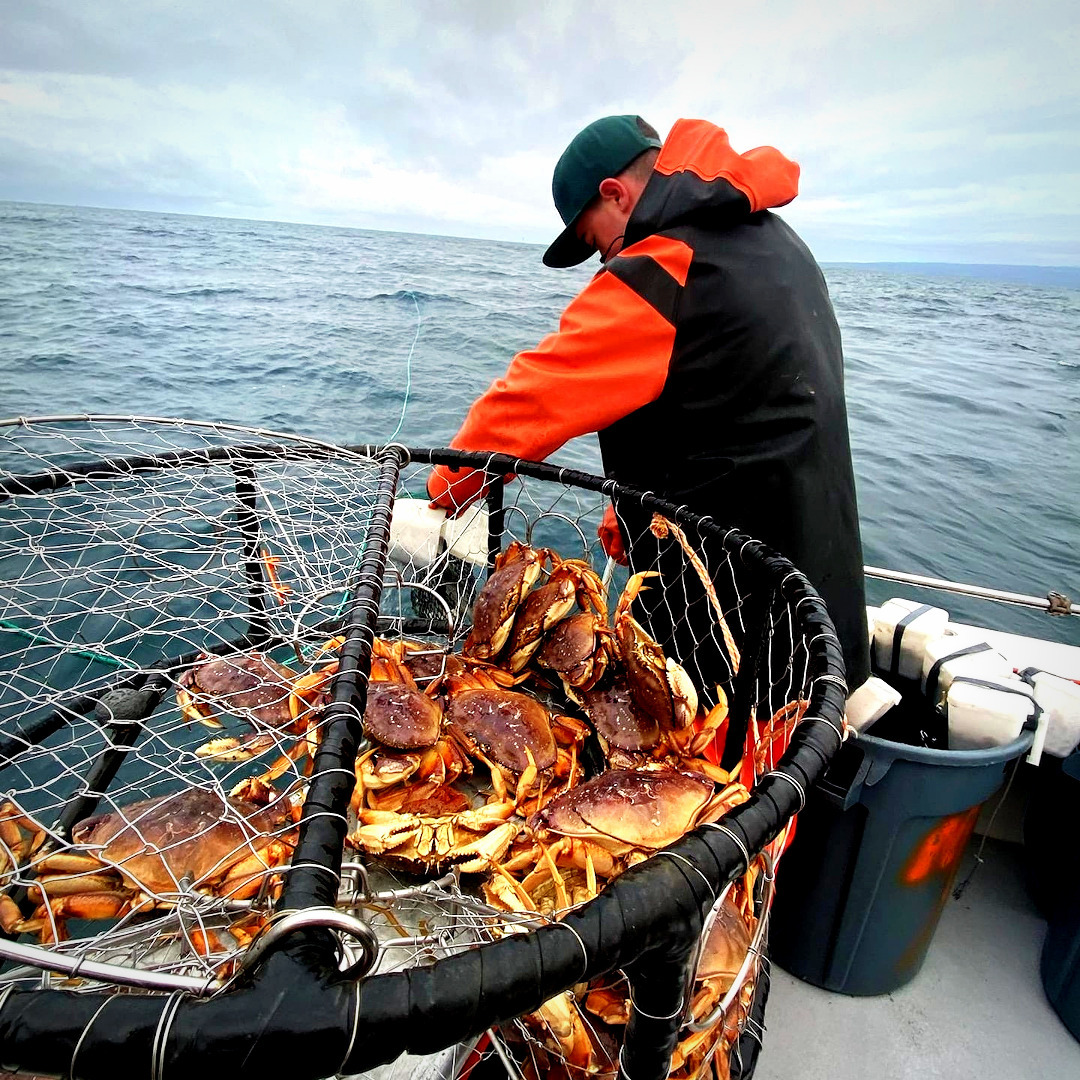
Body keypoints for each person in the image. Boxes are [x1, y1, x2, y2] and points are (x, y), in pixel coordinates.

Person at [428, 115, 870, 692]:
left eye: (596, 242)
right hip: (819, 592)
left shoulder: (666, 264)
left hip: (735, 618)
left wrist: (441, 492)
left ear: (615, 194)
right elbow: (730, 399)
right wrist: (634, 507)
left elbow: (534, 396)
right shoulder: (779, 243)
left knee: (721, 766)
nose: (603, 263)